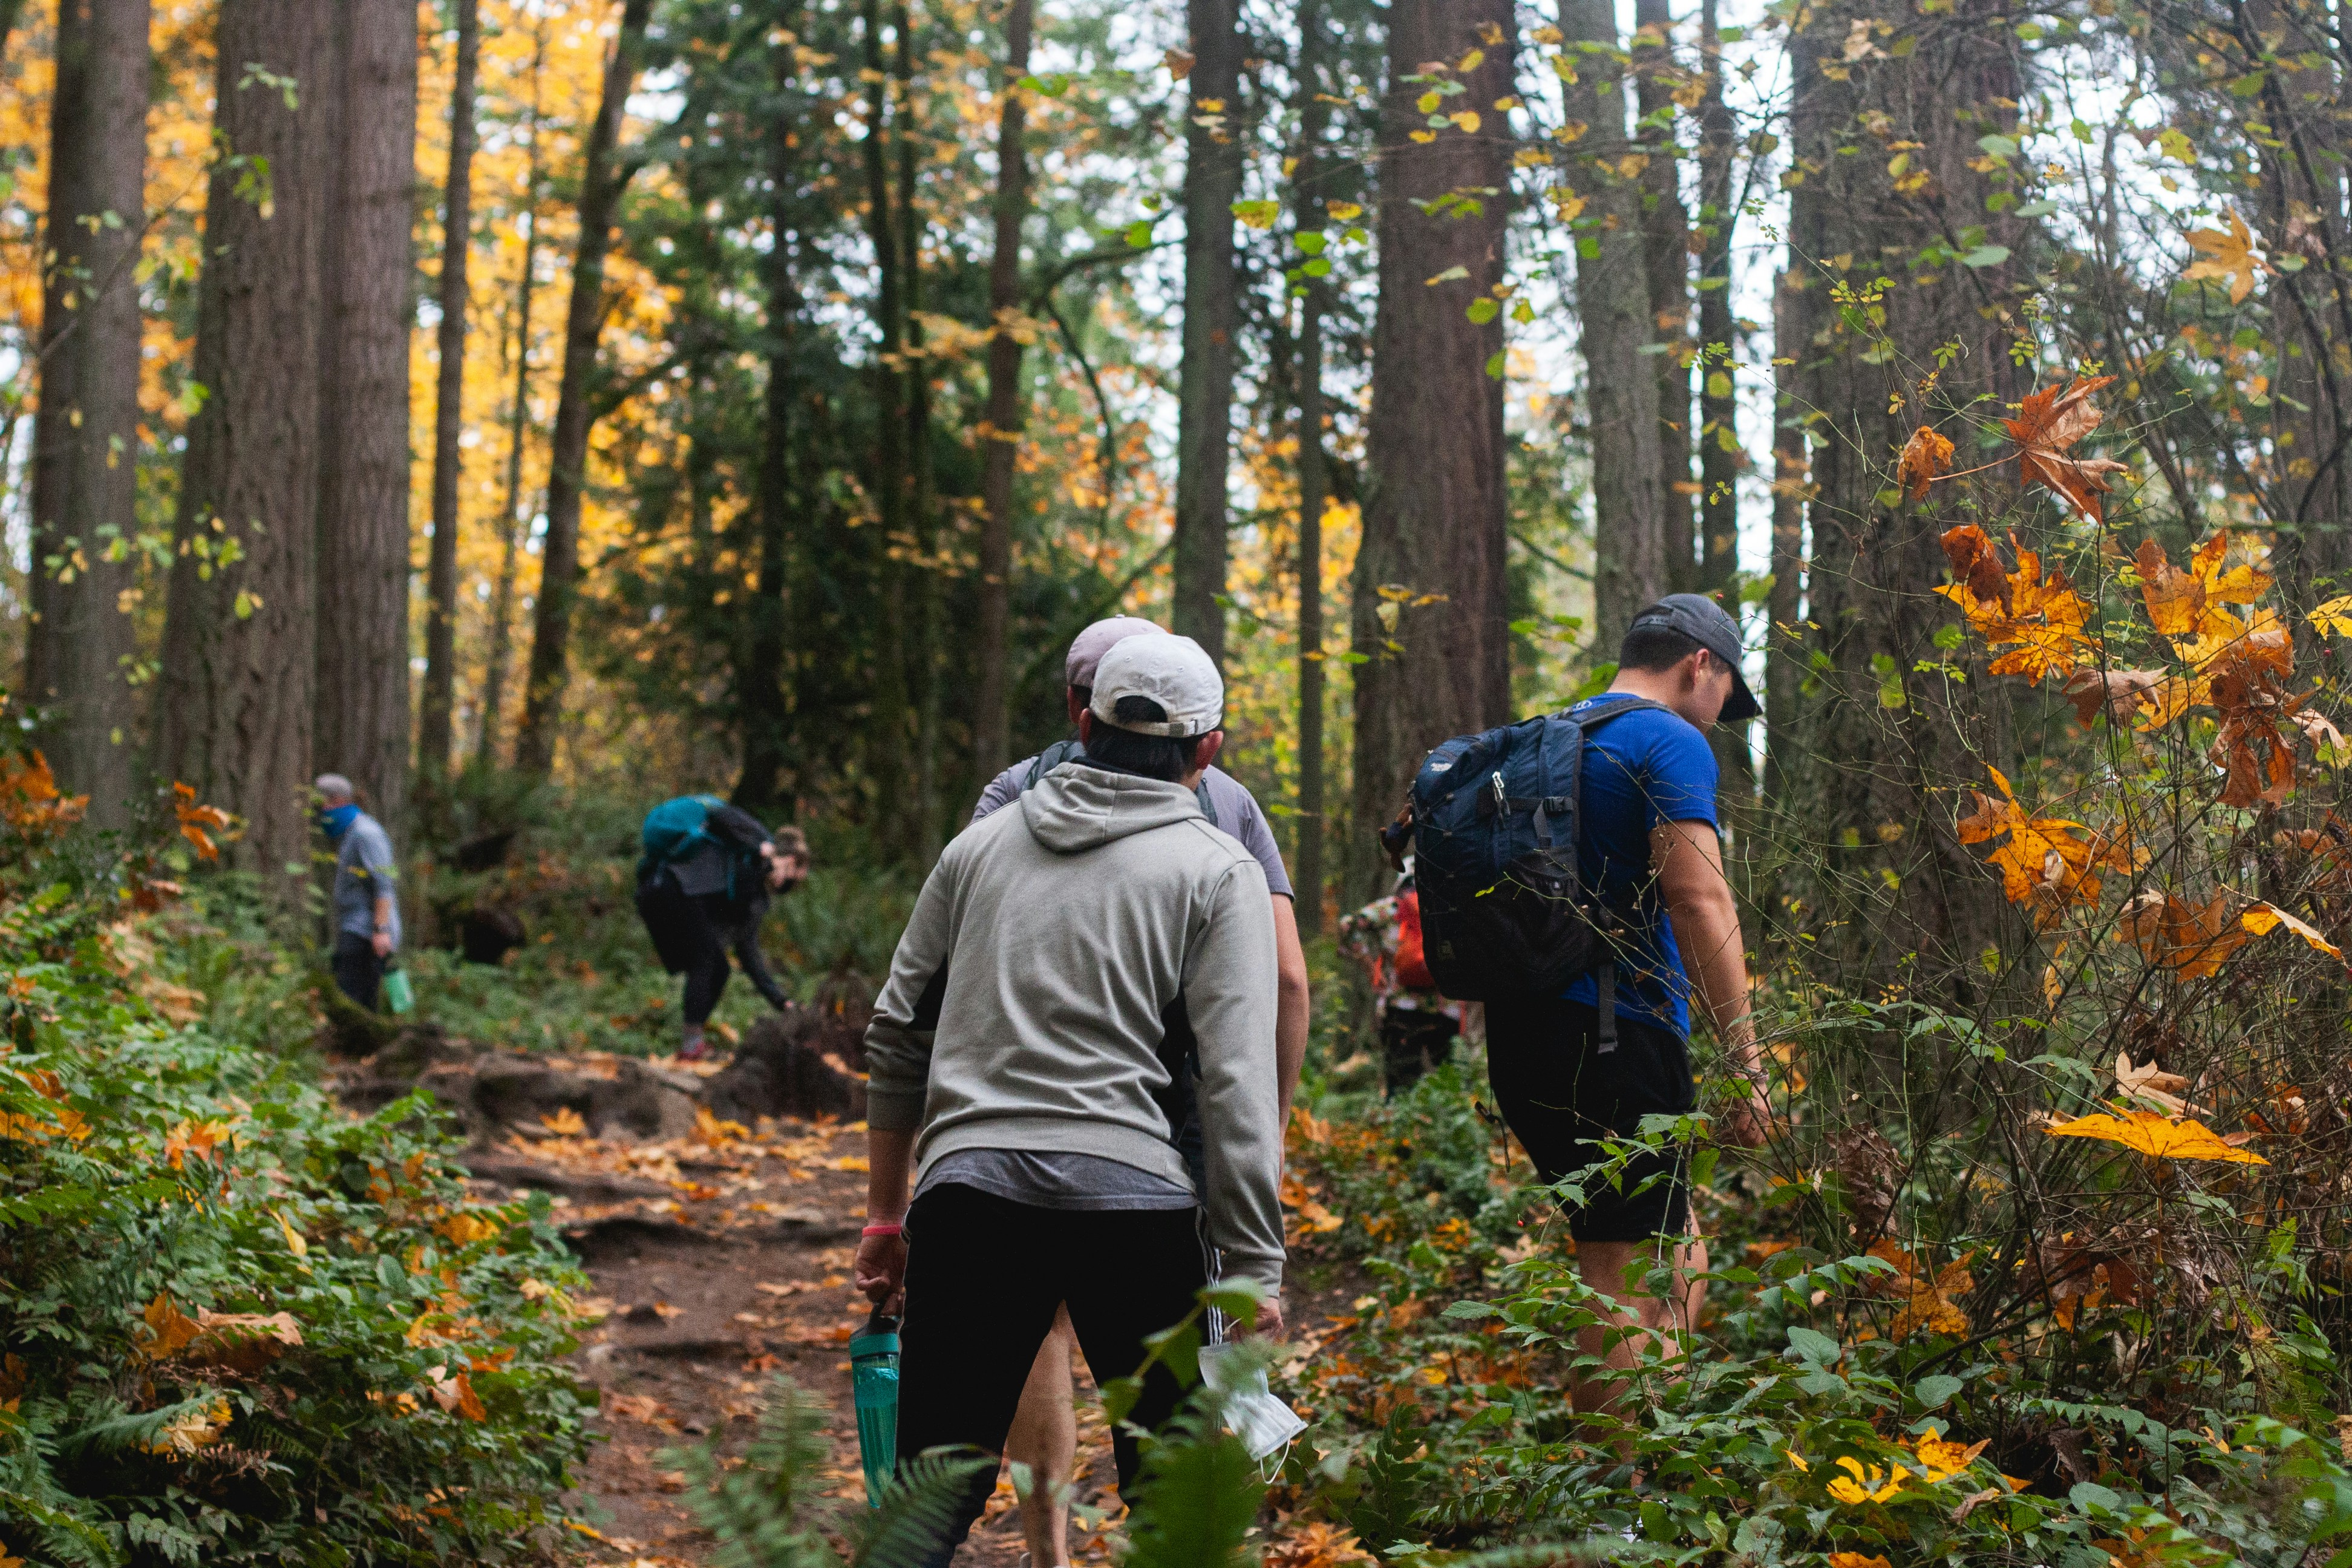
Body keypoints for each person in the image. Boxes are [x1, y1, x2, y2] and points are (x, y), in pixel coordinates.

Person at [855, 633, 1286, 1568]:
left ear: (1084, 726)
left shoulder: (977, 849)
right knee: (1175, 1509)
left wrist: (888, 1216)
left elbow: (896, 1030)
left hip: (969, 1201)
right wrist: (1254, 1267)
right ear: (1209, 750)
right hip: (1140, 1211)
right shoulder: (1219, 870)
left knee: (926, 1507)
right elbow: (1236, 1086)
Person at [970, 615, 1309, 1567]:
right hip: (1168, 1128)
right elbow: (1287, 980)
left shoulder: (1011, 794)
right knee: (1189, 1353)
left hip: (1017, 1110)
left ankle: (1049, 1552)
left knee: (1041, 1333)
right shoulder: (1225, 801)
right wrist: (1266, 1133)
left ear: (1078, 712)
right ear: (1201, 737)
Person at [1480, 593, 1772, 1414]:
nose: (1718, 718)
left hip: (1527, 1034)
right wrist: (1746, 1060)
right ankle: (1615, 1488)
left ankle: (1650, 1449)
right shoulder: (1666, 739)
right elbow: (1699, 898)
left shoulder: (1548, 737)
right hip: (1615, 1037)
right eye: (1725, 695)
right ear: (1699, 665)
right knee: (1623, 1276)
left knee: (1675, 1258)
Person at [633, 802, 808, 1061]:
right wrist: (758, 846)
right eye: (793, 877)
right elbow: (716, 812)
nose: (787, 886)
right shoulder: (755, 840)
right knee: (705, 959)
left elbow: (748, 952)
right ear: (791, 861)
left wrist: (781, 1001)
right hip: (670, 885)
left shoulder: (755, 891)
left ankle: (692, 1044)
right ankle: (691, 1048)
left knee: (719, 968)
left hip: (670, 891)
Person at [1339, 869, 1465, 1096]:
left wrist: (1369, 967)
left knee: (1400, 1081)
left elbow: (1348, 925)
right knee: (1446, 1083)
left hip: (1401, 1007)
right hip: (1446, 1006)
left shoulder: (1392, 908)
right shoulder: (1450, 905)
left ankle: (1399, 1115)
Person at [316, 774, 400, 1011]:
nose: (321, 812)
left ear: (337, 801)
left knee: (355, 1002)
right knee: (352, 997)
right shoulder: (350, 833)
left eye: (323, 804)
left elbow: (384, 884)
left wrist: (381, 931)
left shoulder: (366, 834)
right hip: (355, 927)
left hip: (367, 932)